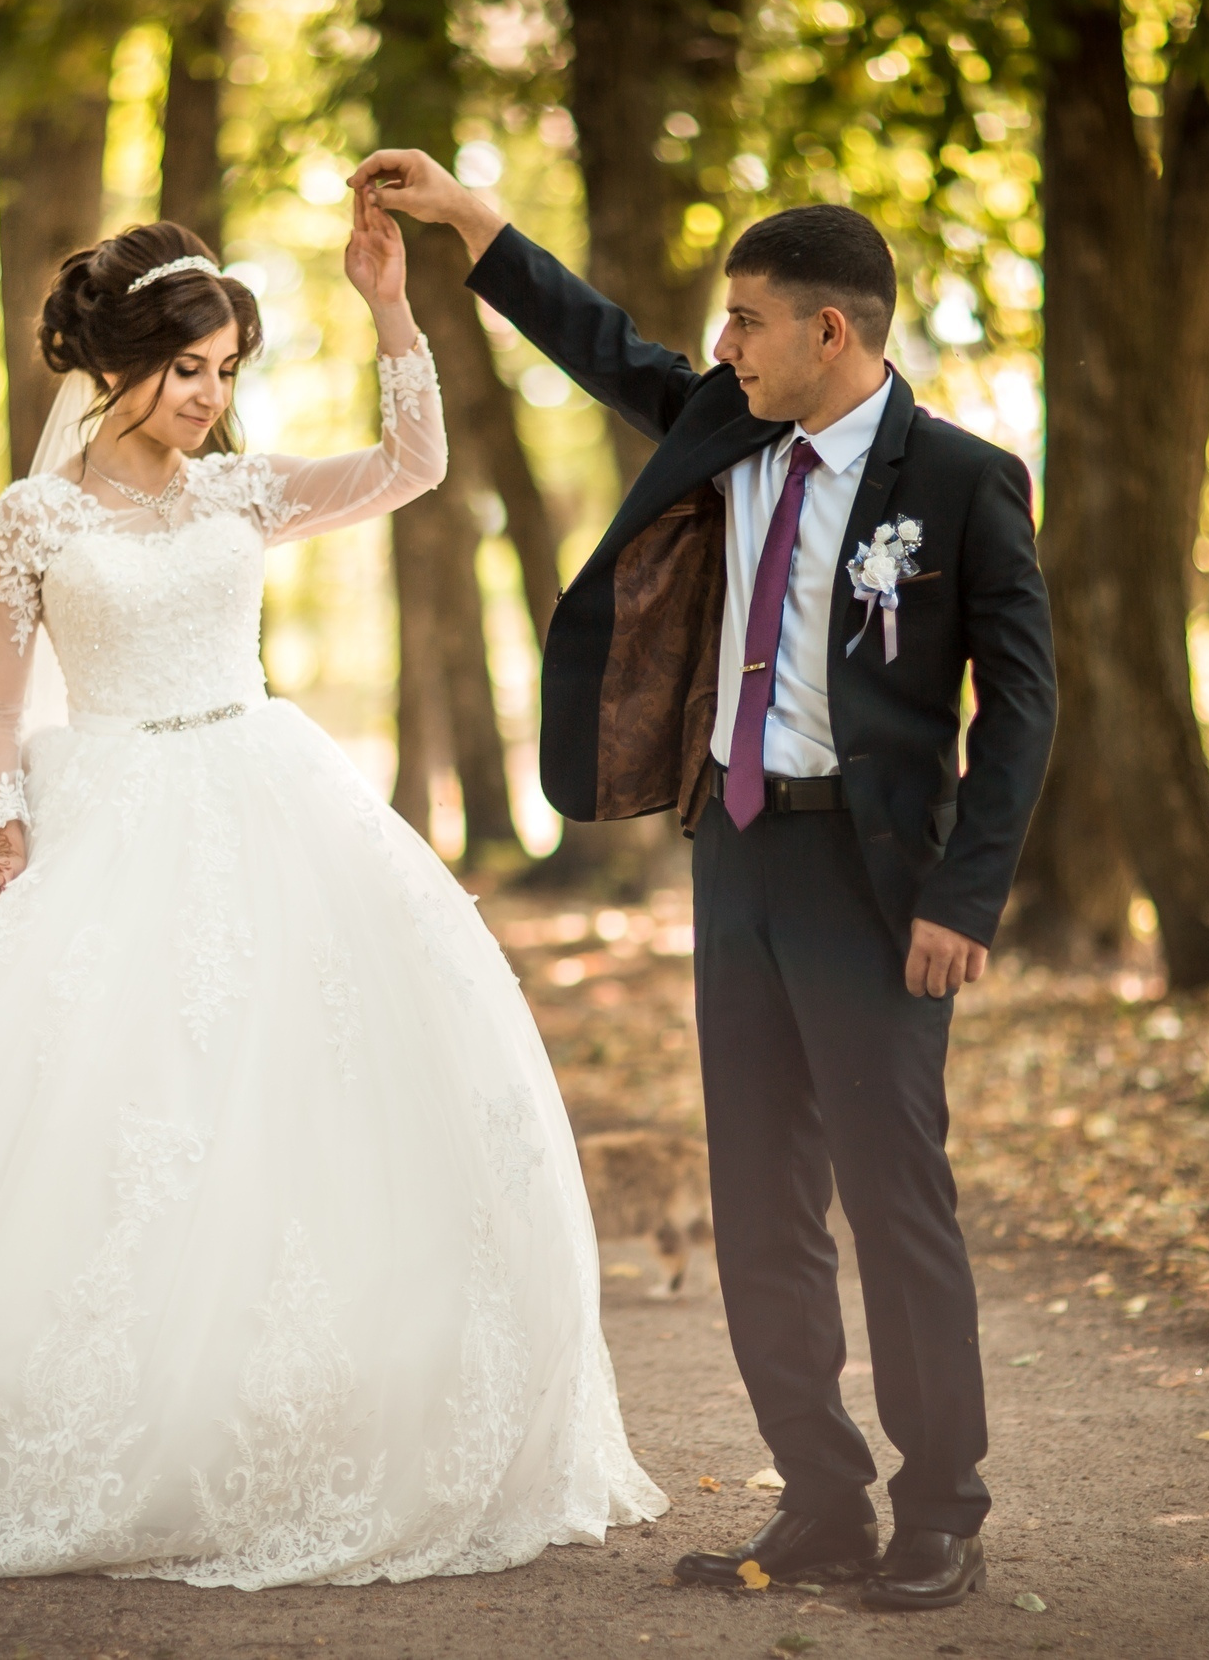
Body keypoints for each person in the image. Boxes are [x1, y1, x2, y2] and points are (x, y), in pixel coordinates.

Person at [0, 199, 666, 1586]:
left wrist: (392, 305)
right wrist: (4, 818)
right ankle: (76, 1414)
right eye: (187, 368)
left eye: (226, 373)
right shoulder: (31, 521)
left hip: (268, 797)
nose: (210, 399)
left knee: (301, 1101)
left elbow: (413, 463)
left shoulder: (240, 492)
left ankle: (277, 1407)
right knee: (108, 1123)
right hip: (107, 812)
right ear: (115, 362)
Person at [353, 148, 1056, 1612]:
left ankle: (944, 1509)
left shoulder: (968, 485)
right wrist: (474, 225)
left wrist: (962, 900)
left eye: (745, 321)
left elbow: (1025, 712)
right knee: (758, 1197)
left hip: (876, 890)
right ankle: (819, 1496)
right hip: (733, 856)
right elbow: (598, 341)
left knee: (892, 1194)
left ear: (831, 335)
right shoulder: (721, 428)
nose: (719, 345)